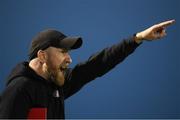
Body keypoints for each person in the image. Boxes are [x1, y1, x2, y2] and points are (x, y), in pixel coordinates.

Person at [0, 20, 175, 119]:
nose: (69, 58)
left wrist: (138, 38)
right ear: (42, 56)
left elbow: (97, 65)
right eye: (63, 52)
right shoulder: (19, 90)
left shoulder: (56, 84)